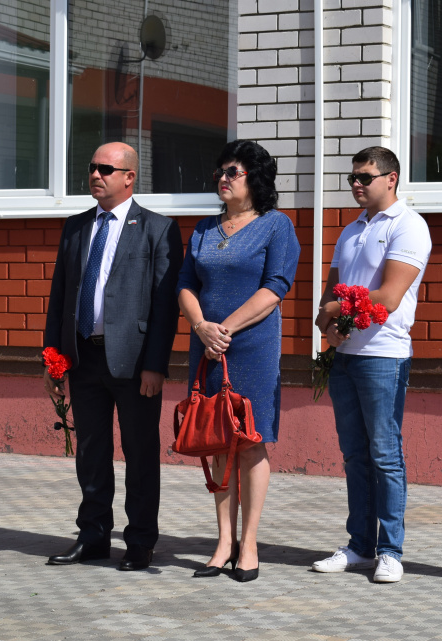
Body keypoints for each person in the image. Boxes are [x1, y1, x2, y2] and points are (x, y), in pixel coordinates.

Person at [43, 142, 183, 572]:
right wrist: (53, 359)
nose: (95, 175)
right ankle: (93, 537)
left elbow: (165, 306)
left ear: (129, 177)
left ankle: (139, 541)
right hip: (84, 357)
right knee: (91, 452)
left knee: (140, 454)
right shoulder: (76, 226)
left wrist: (155, 365)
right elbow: (60, 296)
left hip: (135, 363)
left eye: (106, 168)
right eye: (92, 167)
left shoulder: (158, 228)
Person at [177, 140, 300, 583]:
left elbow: (276, 286)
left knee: (250, 439)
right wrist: (201, 327)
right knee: (216, 440)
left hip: (251, 346)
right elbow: (185, 283)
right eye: (220, 171)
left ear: (256, 178)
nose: (223, 178)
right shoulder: (204, 228)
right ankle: (224, 542)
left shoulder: (276, 225)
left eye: (233, 171)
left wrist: (223, 329)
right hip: (207, 345)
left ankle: (249, 544)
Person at [312, 147, 432, 583]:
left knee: (384, 455)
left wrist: (334, 311)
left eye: (365, 176)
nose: (356, 184)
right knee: (354, 456)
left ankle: (391, 551)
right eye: (352, 178)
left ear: (391, 178)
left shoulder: (408, 226)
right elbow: (328, 298)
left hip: (384, 355)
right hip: (344, 357)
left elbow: (389, 296)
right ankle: (360, 546)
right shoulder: (351, 230)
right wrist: (329, 329)